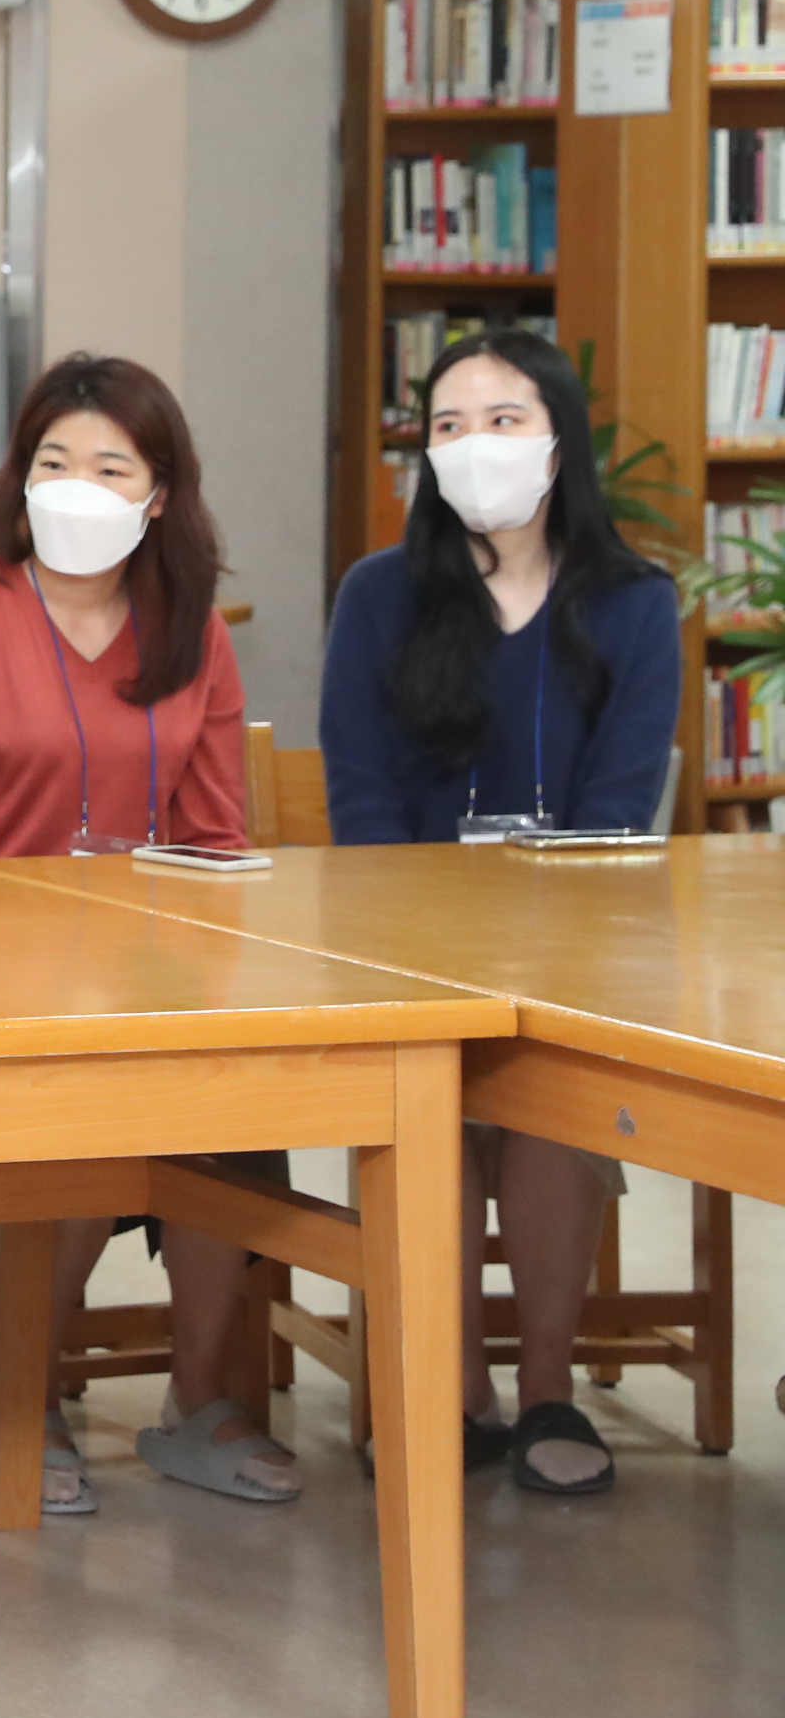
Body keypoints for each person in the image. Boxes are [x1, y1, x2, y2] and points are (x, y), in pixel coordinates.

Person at [0, 353, 290, 1513]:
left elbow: (217, 833)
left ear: (157, 492)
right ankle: (30, 1393)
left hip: (156, 967)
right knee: (80, 1109)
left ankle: (200, 1397)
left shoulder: (188, 626)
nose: (75, 483)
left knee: (243, 1105)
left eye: (109, 465)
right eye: (53, 461)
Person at [321, 327, 679, 1498]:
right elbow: (363, 801)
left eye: (505, 419)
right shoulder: (380, 594)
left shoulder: (633, 603)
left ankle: (547, 1385)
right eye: (448, 425)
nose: (475, 446)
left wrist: (541, 948)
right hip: (410, 943)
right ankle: (448, 1378)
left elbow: (621, 812)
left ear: (560, 440)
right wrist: (429, 951)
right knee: (435, 1091)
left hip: (575, 942)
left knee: (546, 1098)